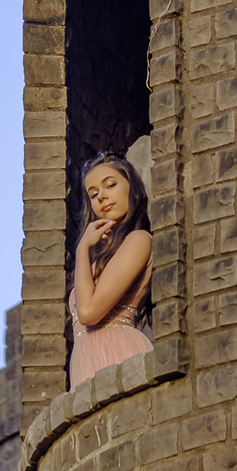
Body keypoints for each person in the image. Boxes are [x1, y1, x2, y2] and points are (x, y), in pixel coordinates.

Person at [68, 151, 154, 390]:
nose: (102, 197)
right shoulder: (97, 258)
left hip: (118, 352)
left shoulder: (139, 240)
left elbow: (88, 312)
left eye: (110, 185)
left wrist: (82, 247)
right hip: (85, 360)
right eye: (93, 194)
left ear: (133, 188)